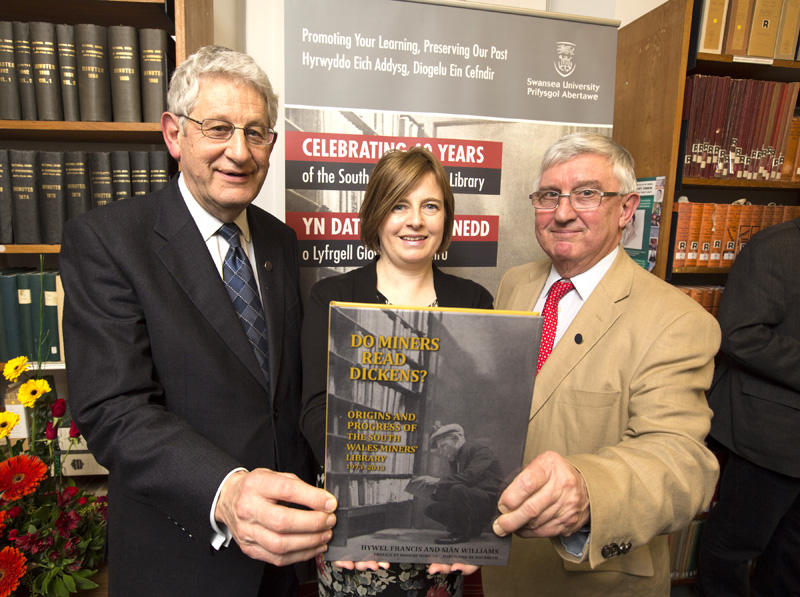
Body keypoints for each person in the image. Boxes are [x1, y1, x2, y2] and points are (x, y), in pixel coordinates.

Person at [59, 46, 337, 597]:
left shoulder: (281, 242)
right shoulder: (108, 241)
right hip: (182, 560)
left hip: (284, 560)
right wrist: (227, 492)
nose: (240, 151)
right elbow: (113, 408)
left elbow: (282, 396)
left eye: (257, 133)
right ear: (173, 134)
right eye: (218, 128)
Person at [482, 132, 721, 595]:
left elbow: (682, 463)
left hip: (595, 578)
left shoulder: (676, 320)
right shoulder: (514, 285)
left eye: (587, 194)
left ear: (627, 209)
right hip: (505, 566)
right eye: (550, 195)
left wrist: (590, 489)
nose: (564, 212)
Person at [300, 146, 493, 595]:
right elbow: (313, 409)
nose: (416, 220)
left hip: (443, 544)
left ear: (446, 217)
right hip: (350, 518)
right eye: (399, 205)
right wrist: (360, 480)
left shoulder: (475, 300)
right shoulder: (331, 295)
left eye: (430, 206)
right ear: (376, 215)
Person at [695, 216, 800, 596]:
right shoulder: (775, 247)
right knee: (733, 549)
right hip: (768, 435)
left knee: (791, 553)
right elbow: (739, 333)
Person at [422, 423, 503, 545]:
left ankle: (459, 533)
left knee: (458, 489)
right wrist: (432, 491)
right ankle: (473, 528)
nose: (441, 452)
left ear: (456, 438)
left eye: (443, 446)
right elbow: (457, 485)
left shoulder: (481, 451)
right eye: (439, 448)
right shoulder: (456, 458)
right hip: (472, 499)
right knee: (431, 509)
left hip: (488, 502)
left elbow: (469, 478)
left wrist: (437, 481)